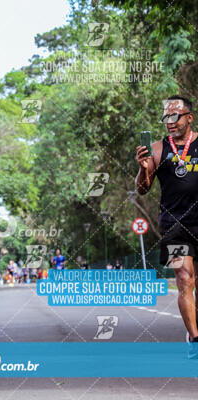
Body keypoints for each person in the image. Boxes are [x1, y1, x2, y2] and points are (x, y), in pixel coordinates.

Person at [135, 95, 198, 358]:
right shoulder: (158, 149)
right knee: (184, 279)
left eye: (175, 116)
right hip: (174, 225)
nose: (169, 122)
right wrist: (143, 169)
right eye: (166, 117)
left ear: (189, 117)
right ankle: (195, 341)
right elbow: (142, 190)